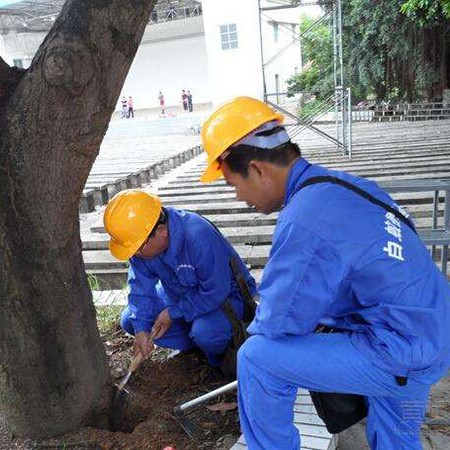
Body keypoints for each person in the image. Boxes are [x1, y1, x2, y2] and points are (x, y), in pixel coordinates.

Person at [199, 96, 450, 450]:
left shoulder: (305, 217)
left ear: (257, 169)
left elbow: (277, 321)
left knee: (256, 358)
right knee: (397, 436)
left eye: (233, 185)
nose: (240, 197)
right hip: (431, 331)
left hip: (399, 348)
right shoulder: (341, 186)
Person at [103, 189, 257, 370]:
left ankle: (222, 354)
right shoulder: (142, 243)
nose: (135, 254)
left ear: (161, 230)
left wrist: (173, 313)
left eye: (138, 247)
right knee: (130, 319)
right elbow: (140, 289)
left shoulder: (198, 237)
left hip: (226, 297)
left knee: (205, 333)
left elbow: (216, 292)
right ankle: (196, 345)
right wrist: (141, 329)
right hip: (179, 295)